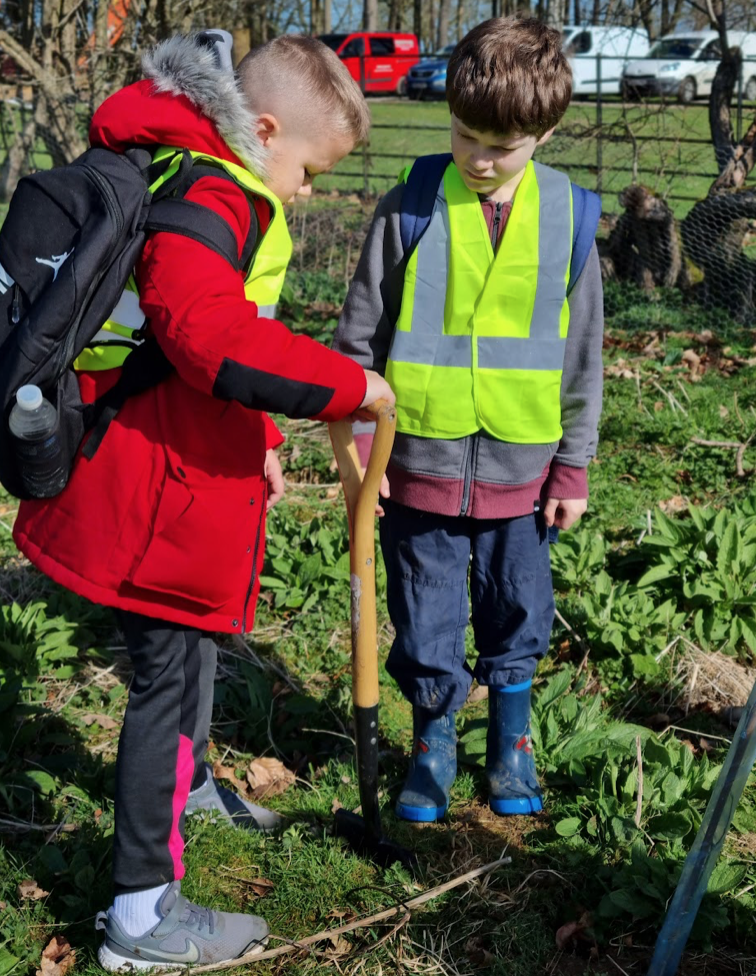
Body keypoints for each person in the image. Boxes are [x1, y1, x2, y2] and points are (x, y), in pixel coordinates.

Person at [12, 30, 394, 971]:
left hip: (174, 465)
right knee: (168, 675)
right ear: (262, 130)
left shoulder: (192, 164)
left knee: (190, 657)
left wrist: (261, 440)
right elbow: (200, 330)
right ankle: (142, 917)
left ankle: (183, 795)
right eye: (309, 167)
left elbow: (219, 333)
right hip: (156, 489)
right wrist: (352, 386)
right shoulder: (217, 189)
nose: (308, 190)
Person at [332, 18, 603, 824]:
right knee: (425, 610)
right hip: (415, 464)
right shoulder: (410, 204)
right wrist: (358, 454)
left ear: (545, 132)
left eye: (502, 146)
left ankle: (511, 743)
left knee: (517, 605)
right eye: (465, 136)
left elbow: (583, 355)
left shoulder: (573, 217)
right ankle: (433, 743)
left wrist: (574, 464)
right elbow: (358, 340)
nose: (480, 159)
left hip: (525, 475)